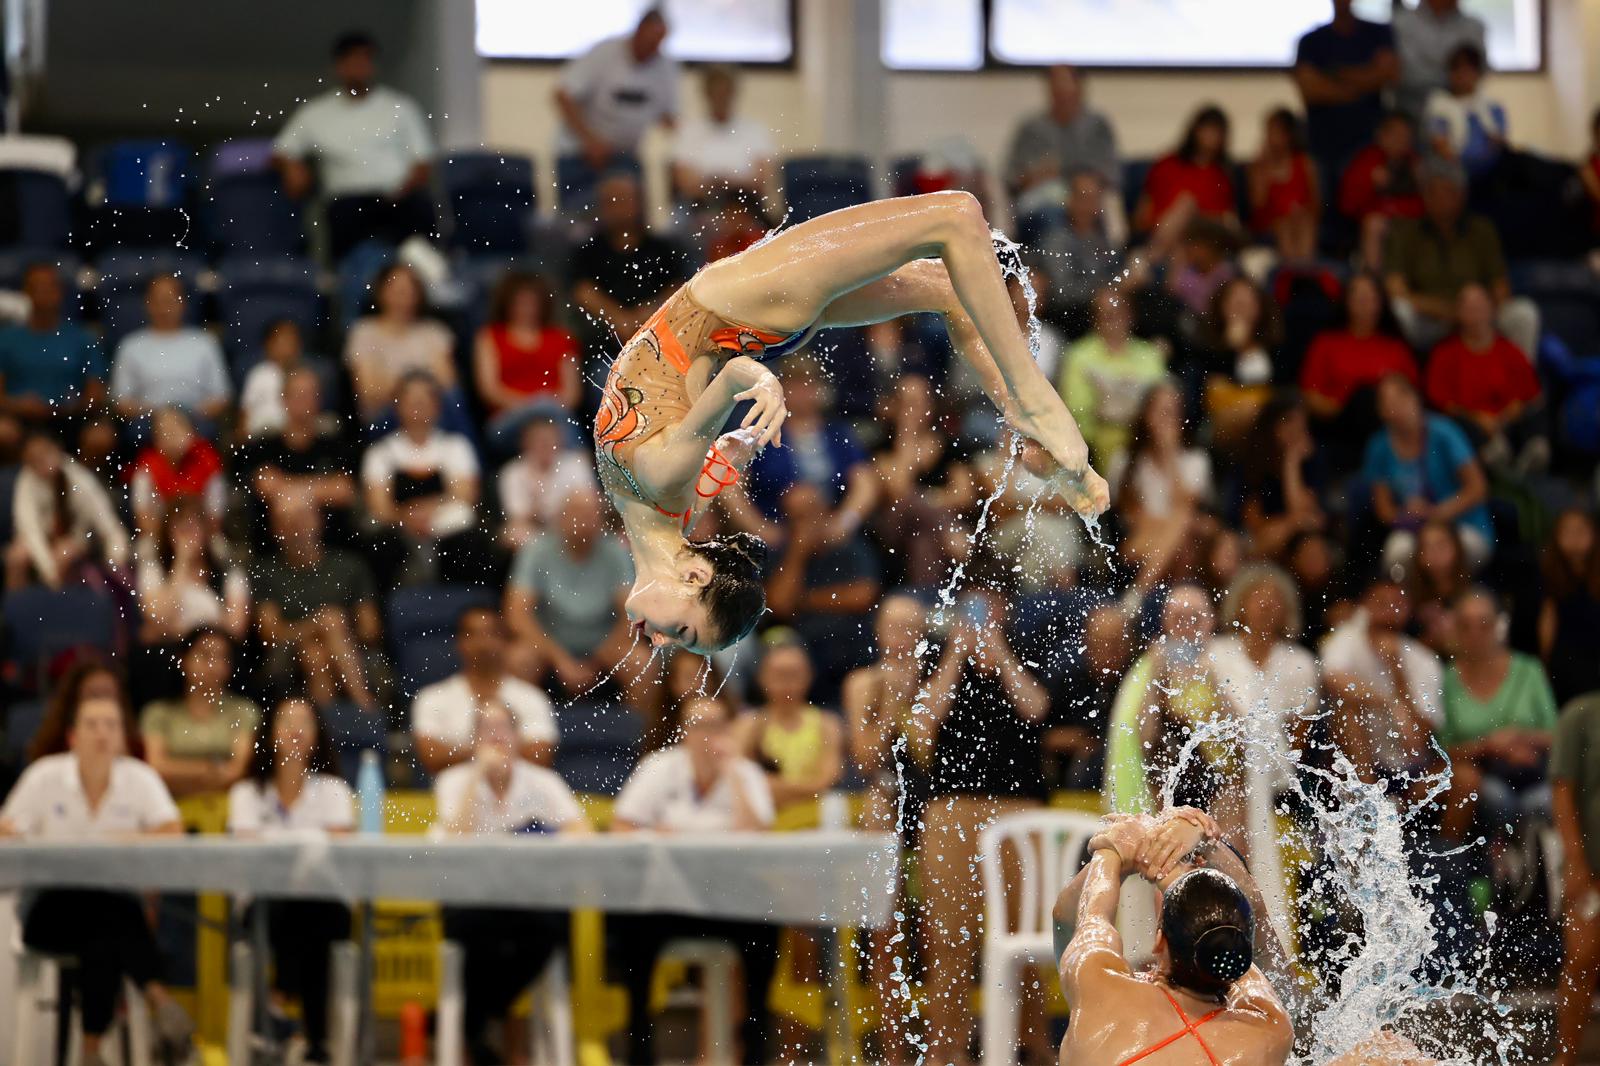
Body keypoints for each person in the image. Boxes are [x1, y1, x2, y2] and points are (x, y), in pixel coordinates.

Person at [594, 190, 1109, 654]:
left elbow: (729, 409)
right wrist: (756, 399)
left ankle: (1024, 414)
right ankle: (1030, 406)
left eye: (681, 637)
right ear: (693, 574)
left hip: (748, 321)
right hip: (744, 309)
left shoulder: (666, 507)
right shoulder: (666, 496)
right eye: (680, 636)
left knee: (949, 283)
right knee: (956, 218)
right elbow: (730, 385)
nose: (659, 642)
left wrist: (756, 403)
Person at [0, 693, 195, 1064]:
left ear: (123, 735)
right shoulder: (45, 776)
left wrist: (118, 841)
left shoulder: (139, 778)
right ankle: (159, 997)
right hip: (49, 912)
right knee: (110, 914)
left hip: (113, 912)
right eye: (92, 725)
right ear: (73, 736)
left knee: (104, 929)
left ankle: (89, 1052)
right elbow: (5, 829)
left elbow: (173, 831)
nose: (102, 734)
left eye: (111, 725)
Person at [911, 588, 1049, 1064]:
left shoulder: (1025, 649)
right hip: (952, 808)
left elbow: (1036, 708)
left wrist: (1000, 655)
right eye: (971, 609)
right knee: (950, 937)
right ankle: (947, 1051)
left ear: (1004, 611)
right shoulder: (937, 658)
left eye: (988, 609)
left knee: (1025, 934)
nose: (979, 619)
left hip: (1019, 808)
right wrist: (955, 653)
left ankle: (1030, 1044)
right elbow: (922, 723)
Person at [610, 694, 778, 1066]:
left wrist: (731, 772)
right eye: (699, 725)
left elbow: (757, 833)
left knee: (767, 920)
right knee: (628, 921)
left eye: (716, 725)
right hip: (668, 897)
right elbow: (621, 826)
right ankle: (639, 1045)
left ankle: (753, 1045)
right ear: (684, 731)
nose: (707, 734)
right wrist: (656, 836)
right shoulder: (658, 767)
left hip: (728, 899)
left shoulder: (745, 773)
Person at [1053, 813, 1293, 1065]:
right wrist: (1198, 844)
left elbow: (1085, 913)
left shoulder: (1097, 984)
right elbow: (1248, 918)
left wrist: (1112, 851)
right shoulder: (1269, 1032)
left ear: (1159, 941)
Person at [433, 702, 590, 1066]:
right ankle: (481, 1029)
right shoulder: (453, 781)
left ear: (518, 737)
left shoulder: (543, 781)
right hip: (471, 900)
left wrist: (542, 838)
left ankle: (478, 1019)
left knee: (553, 927)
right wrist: (477, 778)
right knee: (474, 936)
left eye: (504, 728)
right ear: (474, 740)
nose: (496, 737)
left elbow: (581, 831)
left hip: (529, 897)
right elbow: (453, 837)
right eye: (486, 730)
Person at [228, 698, 354, 1065]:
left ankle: (277, 1001)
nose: (295, 730)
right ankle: (317, 1044)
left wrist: (288, 855)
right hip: (265, 904)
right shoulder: (247, 793)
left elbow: (339, 852)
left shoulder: (334, 790)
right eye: (285, 721)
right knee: (300, 921)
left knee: (314, 912)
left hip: (325, 903)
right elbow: (248, 856)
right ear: (269, 735)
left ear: (316, 736)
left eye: (304, 722)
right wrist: (306, 850)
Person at [841, 595, 929, 1066]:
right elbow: (865, 756)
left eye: (912, 629)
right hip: (887, 802)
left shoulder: (938, 680)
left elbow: (932, 757)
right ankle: (893, 1047)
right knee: (885, 930)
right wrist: (894, 700)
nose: (903, 639)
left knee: (937, 929)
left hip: (931, 805)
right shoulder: (863, 683)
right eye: (895, 629)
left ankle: (935, 1042)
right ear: (880, 633)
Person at [274, 31, 434, 262]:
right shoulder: (315, 113)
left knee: (419, 218)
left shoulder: (401, 107)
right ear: (338, 67)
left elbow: (422, 163)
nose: (358, 67)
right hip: (347, 204)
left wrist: (400, 192)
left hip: (398, 199)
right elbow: (281, 150)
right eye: (351, 60)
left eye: (365, 59)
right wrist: (292, 166)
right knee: (345, 227)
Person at [1384, 159, 1539, 357]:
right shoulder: (1405, 232)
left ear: (1462, 195)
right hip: (1429, 317)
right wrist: (1444, 310)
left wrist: (1476, 312)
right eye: (1434, 191)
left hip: (1479, 312)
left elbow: (1501, 287)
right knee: (1400, 311)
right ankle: (1409, 373)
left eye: (1448, 191)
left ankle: (1521, 380)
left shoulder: (1482, 230)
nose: (1440, 198)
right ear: (1424, 195)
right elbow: (1396, 290)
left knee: (1523, 314)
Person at [1440, 587, 1556, 834]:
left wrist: (1520, 738)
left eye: (1484, 624)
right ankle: (1489, 866)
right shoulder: (1448, 678)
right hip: (1484, 774)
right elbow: (1442, 751)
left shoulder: (1529, 669)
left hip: (1533, 771)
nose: (1475, 634)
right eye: (1466, 626)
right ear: (1455, 630)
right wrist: (1488, 745)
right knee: (1496, 799)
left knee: (1541, 801)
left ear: (1499, 625)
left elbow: (1556, 734)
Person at [504, 487, 636, 699]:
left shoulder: (616, 552)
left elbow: (632, 615)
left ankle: (644, 731)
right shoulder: (536, 550)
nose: (585, 520)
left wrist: (597, 659)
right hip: (549, 643)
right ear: (561, 516)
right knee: (519, 660)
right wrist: (560, 659)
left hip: (604, 644)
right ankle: (526, 728)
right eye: (577, 512)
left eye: (593, 513)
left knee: (639, 661)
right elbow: (517, 614)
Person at [253, 498, 384, 713]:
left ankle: (326, 730)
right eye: (287, 521)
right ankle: (366, 709)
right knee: (317, 643)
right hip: (288, 655)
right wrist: (319, 625)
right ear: (275, 529)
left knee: (316, 654)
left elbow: (371, 629)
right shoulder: (267, 573)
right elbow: (270, 634)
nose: (297, 527)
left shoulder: (349, 566)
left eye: (303, 517)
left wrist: (336, 634)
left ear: (319, 520)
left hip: (350, 648)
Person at [360, 372, 486, 586]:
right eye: (411, 400)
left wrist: (428, 512)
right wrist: (406, 518)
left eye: (425, 400)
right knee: (377, 538)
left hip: (443, 524)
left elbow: (466, 494)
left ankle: (461, 599)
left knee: (468, 527)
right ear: (397, 406)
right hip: (398, 528)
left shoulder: (455, 446)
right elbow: (378, 504)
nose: (418, 406)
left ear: (437, 406)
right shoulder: (380, 452)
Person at [1319, 578, 1444, 788]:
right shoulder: (1347, 639)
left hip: (1408, 769)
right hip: (1356, 762)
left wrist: (1397, 672)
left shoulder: (1424, 660)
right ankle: (1368, 795)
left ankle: (1386, 801)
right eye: (1381, 603)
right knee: (1347, 708)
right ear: (1365, 606)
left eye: (1397, 604)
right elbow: (1333, 679)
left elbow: (1418, 740)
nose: (1389, 611)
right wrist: (1388, 702)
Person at [1363, 373, 1493, 573]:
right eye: (1387, 402)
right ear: (1380, 411)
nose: (1395, 408)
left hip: (1460, 523)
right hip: (1415, 527)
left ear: (1415, 398)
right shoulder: (1378, 447)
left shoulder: (1444, 433)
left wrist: (1437, 513)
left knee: (1446, 554)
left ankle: (1455, 601)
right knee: (1395, 556)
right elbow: (1383, 509)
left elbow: (1477, 488)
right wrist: (1404, 514)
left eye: (1400, 398)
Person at [412, 606, 558, 775]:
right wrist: (491, 753)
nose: (483, 644)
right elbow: (430, 757)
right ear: (458, 642)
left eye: (491, 634)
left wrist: (472, 754)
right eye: (473, 634)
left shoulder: (531, 697)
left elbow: (540, 756)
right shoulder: (432, 698)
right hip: (454, 797)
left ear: (506, 642)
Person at [1423, 283, 1543, 467]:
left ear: (1492, 310)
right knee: (1453, 425)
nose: (1475, 313)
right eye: (1469, 308)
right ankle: (1491, 455)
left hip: (1507, 423)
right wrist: (1478, 419)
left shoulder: (1509, 351)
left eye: (1479, 306)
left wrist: (1505, 417)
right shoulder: (1445, 354)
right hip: (1469, 426)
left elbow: (1529, 392)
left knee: (1536, 410)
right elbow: (1443, 403)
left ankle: (1531, 454)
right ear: (1458, 313)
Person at [238, 367, 357, 550]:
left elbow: (344, 490)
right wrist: (321, 488)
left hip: (331, 548)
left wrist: (289, 490)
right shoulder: (264, 447)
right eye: (297, 394)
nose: (303, 401)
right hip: (273, 552)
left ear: (319, 400)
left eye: (309, 394)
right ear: (283, 399)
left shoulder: (335, 445)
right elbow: (266, 486)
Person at [571, 169, 691, 349]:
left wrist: (645, 315)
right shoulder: (588, 251)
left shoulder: (662, 248)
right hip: (604, 343)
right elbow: (583, 292)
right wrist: (618, 318)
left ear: (639, 204)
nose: (618, 208)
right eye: (611, 202)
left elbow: (676, 289)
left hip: (657, 338)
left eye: (624, 200)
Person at [555, 8, 677, 177]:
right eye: (650, 41)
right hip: (579, 155)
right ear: (638, 31)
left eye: (658, 42)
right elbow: (563, 95)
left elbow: (669, 118)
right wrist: (590, 141)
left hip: (624, 158)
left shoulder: (665, 67)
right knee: (618, 194)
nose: (653, 48)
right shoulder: (603, 54)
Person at [139, 628, 260, 797]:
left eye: (222, 657)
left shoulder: (243, 711)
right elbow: (156, 767)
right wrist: (211, 768)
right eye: (205, 655)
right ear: (183, 660)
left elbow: (236, 771)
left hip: (228, 805)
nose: (214, 665)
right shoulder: (158, 712)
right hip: (167, 803)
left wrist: (178, 774)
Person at [4, 430, 129, 591]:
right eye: (35, 458)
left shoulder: (78, 477)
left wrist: (116, 556)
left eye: (46, 452)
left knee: (64, 552)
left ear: (57, 449)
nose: (43, 460)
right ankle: (17, 612)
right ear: (28, 462)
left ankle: (64, 607)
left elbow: (106, 520)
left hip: (75, 539)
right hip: (39, 541)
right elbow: (31, 530)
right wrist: (48, 569)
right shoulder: (26, 483)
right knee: (16, 557)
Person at [1058, 287, 1167, 470]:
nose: (1113, 320)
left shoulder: (1149, 354)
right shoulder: (1078, 355)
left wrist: (1107, 397)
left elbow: (1160, 404)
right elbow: (1077, 408)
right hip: (1091, 444)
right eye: (1106, 314)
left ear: (1130, 315)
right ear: (1095, 319)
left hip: (1142, 442)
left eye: (1119, 313)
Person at [472, 271, 580, 449]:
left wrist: (544, 408)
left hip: (554, 418)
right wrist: (534, 405)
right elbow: (489, 389)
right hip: (508, 418)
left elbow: (572, 393)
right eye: (520, 303)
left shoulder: (562, 339)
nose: (526, 308)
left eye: (531, 303)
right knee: (548, 409)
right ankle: (581, 462)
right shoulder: (490, 337)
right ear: (508, 304)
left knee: (551, 419)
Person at [733, 637, 843, 813]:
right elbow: (739, 780)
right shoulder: (748, 725)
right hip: (765, 816)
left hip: (813, 819)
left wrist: (773, 786)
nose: (786, 683)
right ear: (762, 677)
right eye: (779, 674)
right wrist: (807, 788)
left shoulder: (827, 724)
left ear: (809, 675)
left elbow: (827, 781)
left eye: (794, 674)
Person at [1300, 271, 1419, 432]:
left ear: (1381, 303)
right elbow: (1310, 395)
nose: (1364, 303)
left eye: (1370, 298)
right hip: (1338, 425)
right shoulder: (1326, 342)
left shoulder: (1395, 346)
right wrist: (1344, 409)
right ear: (1346, 301)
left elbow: (1410, 395)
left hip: (1387, 427)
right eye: (1358, 297)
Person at [344, 262, 459, 429]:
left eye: (409, 289)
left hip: (433, 415)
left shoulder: (434, 332)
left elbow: (448, 383)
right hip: (386, 416)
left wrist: (395, 383)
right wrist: (414, 392)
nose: (403, 295)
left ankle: (463, 452)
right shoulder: (364, 333)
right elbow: (368, 392)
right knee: (417, 411)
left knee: (451, 401)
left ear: (418, 293)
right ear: (381, 291)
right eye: (396, 289)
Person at [1293, 0, 1400, 178]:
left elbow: (1389, 74)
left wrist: (1336, 73)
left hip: (1368, 142)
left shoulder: (1378, 33)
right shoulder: (1311, 41)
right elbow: (1310, 90)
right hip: (1323, 144)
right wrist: (1363, 81)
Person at [109, 275, 230, 429]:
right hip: (147, 422)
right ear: (147, 304)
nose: (164, 308)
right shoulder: (130, 345)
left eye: (170, 301)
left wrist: (184, 416)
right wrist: (160, 415)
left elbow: (221, 397)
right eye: (158, 301)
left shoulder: (204, 343)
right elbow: (121, 401)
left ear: (183, 303)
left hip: (196, 421)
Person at [1004, 65, 1120, 226]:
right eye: (1057, 87)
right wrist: (1038, 175)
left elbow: (1111, 174)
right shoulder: (1030, 128)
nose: (1062, 93)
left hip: (1089, 197)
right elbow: (1012, 178)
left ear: (1080, 89)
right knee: (1050, 213)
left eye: (1067, 86)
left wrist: (1083, 183)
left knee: (1091, 202)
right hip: (1043, 198)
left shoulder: (1097, 126)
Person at [1551, 689, 1600, 1066]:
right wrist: (1577, 864)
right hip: (1592, 868)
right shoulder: (1581, 714)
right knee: (1582, 960)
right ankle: (1564, 1058)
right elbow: (1562, 792)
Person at [135, 496, 249, 649]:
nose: (188, 535)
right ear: (167, 532)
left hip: (215, 652)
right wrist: (182, 562)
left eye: (194, 526)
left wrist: (184, 634)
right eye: (180, 527)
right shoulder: (153, 570)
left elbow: (235, 630)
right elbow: (159, 619)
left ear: (206, 531)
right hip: (171, 652)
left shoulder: (229, 573)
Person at [0, 261, 104, 426]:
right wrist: (17, 405)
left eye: (50, 287)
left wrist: (66, 408)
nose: (44, 293)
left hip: (71, 419)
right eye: (37, 287)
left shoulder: (83, 338)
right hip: (18, 420)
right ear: (26, 292)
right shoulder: (6, 338)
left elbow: (95, 394)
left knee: (100, 437)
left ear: (60, 291)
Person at [1134, 106, 1238, 259]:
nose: (1211, 137)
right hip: (1157, 232)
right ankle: (1153, 258)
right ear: (1195, 130)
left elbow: (1220, 222)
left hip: (1195, 241)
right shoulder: (1167, 164)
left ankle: (1148, 263)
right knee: (1185, 206)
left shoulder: (1221, 176)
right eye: (1207, 130)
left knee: (1187, 207)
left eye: (1216, 132)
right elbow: (1143, 210)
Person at [1034, 169, 1127, 333]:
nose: (1088, 206)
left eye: (1094, 199)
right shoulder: (1056, 240)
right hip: (1069, 318)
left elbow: (1115, 272)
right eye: (1083, 197)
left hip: (1100, 314)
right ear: (1070, 200)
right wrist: (1111, 285)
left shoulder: (1103, 238)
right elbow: (1063, 291)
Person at [669, 65, 774, 203]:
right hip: (700, 208)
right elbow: (684, 183)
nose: (721, 98)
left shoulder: (755, 131)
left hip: (745, 207)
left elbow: (760, 182)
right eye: (716, 93)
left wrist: (718, 182)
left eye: (725, 92)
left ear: (734, 93)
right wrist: (733, 182)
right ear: (706, 94)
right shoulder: (689, 132)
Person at [495, 413, 597, 550]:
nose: (545, 444)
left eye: (549, 439)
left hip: (572, 528)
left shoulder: (576, 463)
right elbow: (517, 517)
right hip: (534, 532)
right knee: (514, 534)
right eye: (538, 439)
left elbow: (587, 503)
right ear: (526, 442)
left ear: (559, 440)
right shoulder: (512, 472)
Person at [1339, 112, 1426, 273]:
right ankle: (1373, 280)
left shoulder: (1416, 163)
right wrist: (1370, 184)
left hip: (1411, 222)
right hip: (1380, 224)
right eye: (1395, 134)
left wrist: (1423, 185)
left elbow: (1432, 207)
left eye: (1405, 135)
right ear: (1381, 135)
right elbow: (1348, 206)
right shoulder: (1366, 161)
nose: (1401, 140)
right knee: (1374, 224)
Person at [128, 405, 226, 537]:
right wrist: (171, 539)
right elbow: (142, 518)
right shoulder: (146, 466)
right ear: (156, 439)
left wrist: (192, 536)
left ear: (191, 432)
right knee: (145, 549)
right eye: (164, 431)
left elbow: (215, 517)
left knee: (219, 548)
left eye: (176, 429)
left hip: (203, 536)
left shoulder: (208, 460)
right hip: (159, 537)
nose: (171, 436)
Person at [1539, 510, 1600, 704]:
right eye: (1568, 532)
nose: (1575, 538)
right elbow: (1547, 628)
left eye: (1581, 531)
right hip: (1567, 662)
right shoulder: (1547, 577)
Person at [1391, 0, 1488, 121]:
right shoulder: (1401, 23)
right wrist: (1452, 79)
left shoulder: (1474, 27)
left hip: (1464, 116)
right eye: (1456, 67)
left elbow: (1479, 70)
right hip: (1411, 116)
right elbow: (1407, 74)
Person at [1423, 44, 1507, 179]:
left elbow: (1499, 144)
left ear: (1478, 74)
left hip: (1491, 173)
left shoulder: (1493, 108)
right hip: (1452, 175)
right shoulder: (1439, 106)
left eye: (1468, 70)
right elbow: (1440, 146)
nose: (1462, 75)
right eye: (1457, 69)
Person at [1247, 108, 1319, 261]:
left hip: (1300, 219)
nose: (1271, 138)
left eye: (1276, 132)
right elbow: (1258, 205)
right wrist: (1263, 171)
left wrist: (1299, 211)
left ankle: (1305, 271)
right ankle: (1290, 271)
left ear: (1289, 135)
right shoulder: (1259, 165)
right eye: (1269, 132)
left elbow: (1316, 203)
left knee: (1306, 222)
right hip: (1272, 222)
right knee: (1284, 224)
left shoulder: (1304, 163)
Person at [237, 318, 309, 439]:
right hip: (263, 436)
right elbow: (245, 413)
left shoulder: (304, 376)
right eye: (282, 341)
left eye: (292, 341)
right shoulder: (259, 374)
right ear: (269, 344)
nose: (288, 346)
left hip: (293, 436)